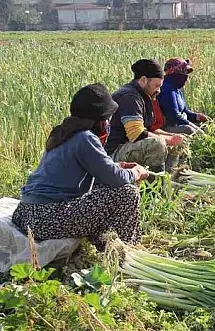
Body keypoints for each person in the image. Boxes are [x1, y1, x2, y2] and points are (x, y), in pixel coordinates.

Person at [12, 84, 150, 252]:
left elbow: (101, 171)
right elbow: (115, 178)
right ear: (98, 120)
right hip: (45, 218)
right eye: (107, 119)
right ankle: (125, 252)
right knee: (127, 192)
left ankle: (108, 241)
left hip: (26, 213)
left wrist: (117, 166)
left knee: (105, 189)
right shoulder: (85, 138)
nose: (108, 123)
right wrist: (135, 173)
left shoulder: (64, 133)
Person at [104, 59, 184, 173]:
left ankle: (171, 178)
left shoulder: (143, 96)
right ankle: (156, 186)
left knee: (176, 144)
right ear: (143, 80)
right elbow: (136, 134)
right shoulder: (130, 97)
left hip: (127, 145)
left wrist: (172, 136)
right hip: (114, 151)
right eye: (156, 85)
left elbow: (148, 130)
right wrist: (168, 139)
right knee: (157, 145)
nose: (159, 90)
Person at [155, 58, 210, 136]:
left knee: (204, 126)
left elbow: (185, 111)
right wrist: (197, 129)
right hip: (166, 127)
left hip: (177, 123)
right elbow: (174, 116)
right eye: (184, 72)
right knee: (190, 130)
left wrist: (197, 116)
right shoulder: (166, 88)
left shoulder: (176, 89)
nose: (186, 76)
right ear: (175, 73)